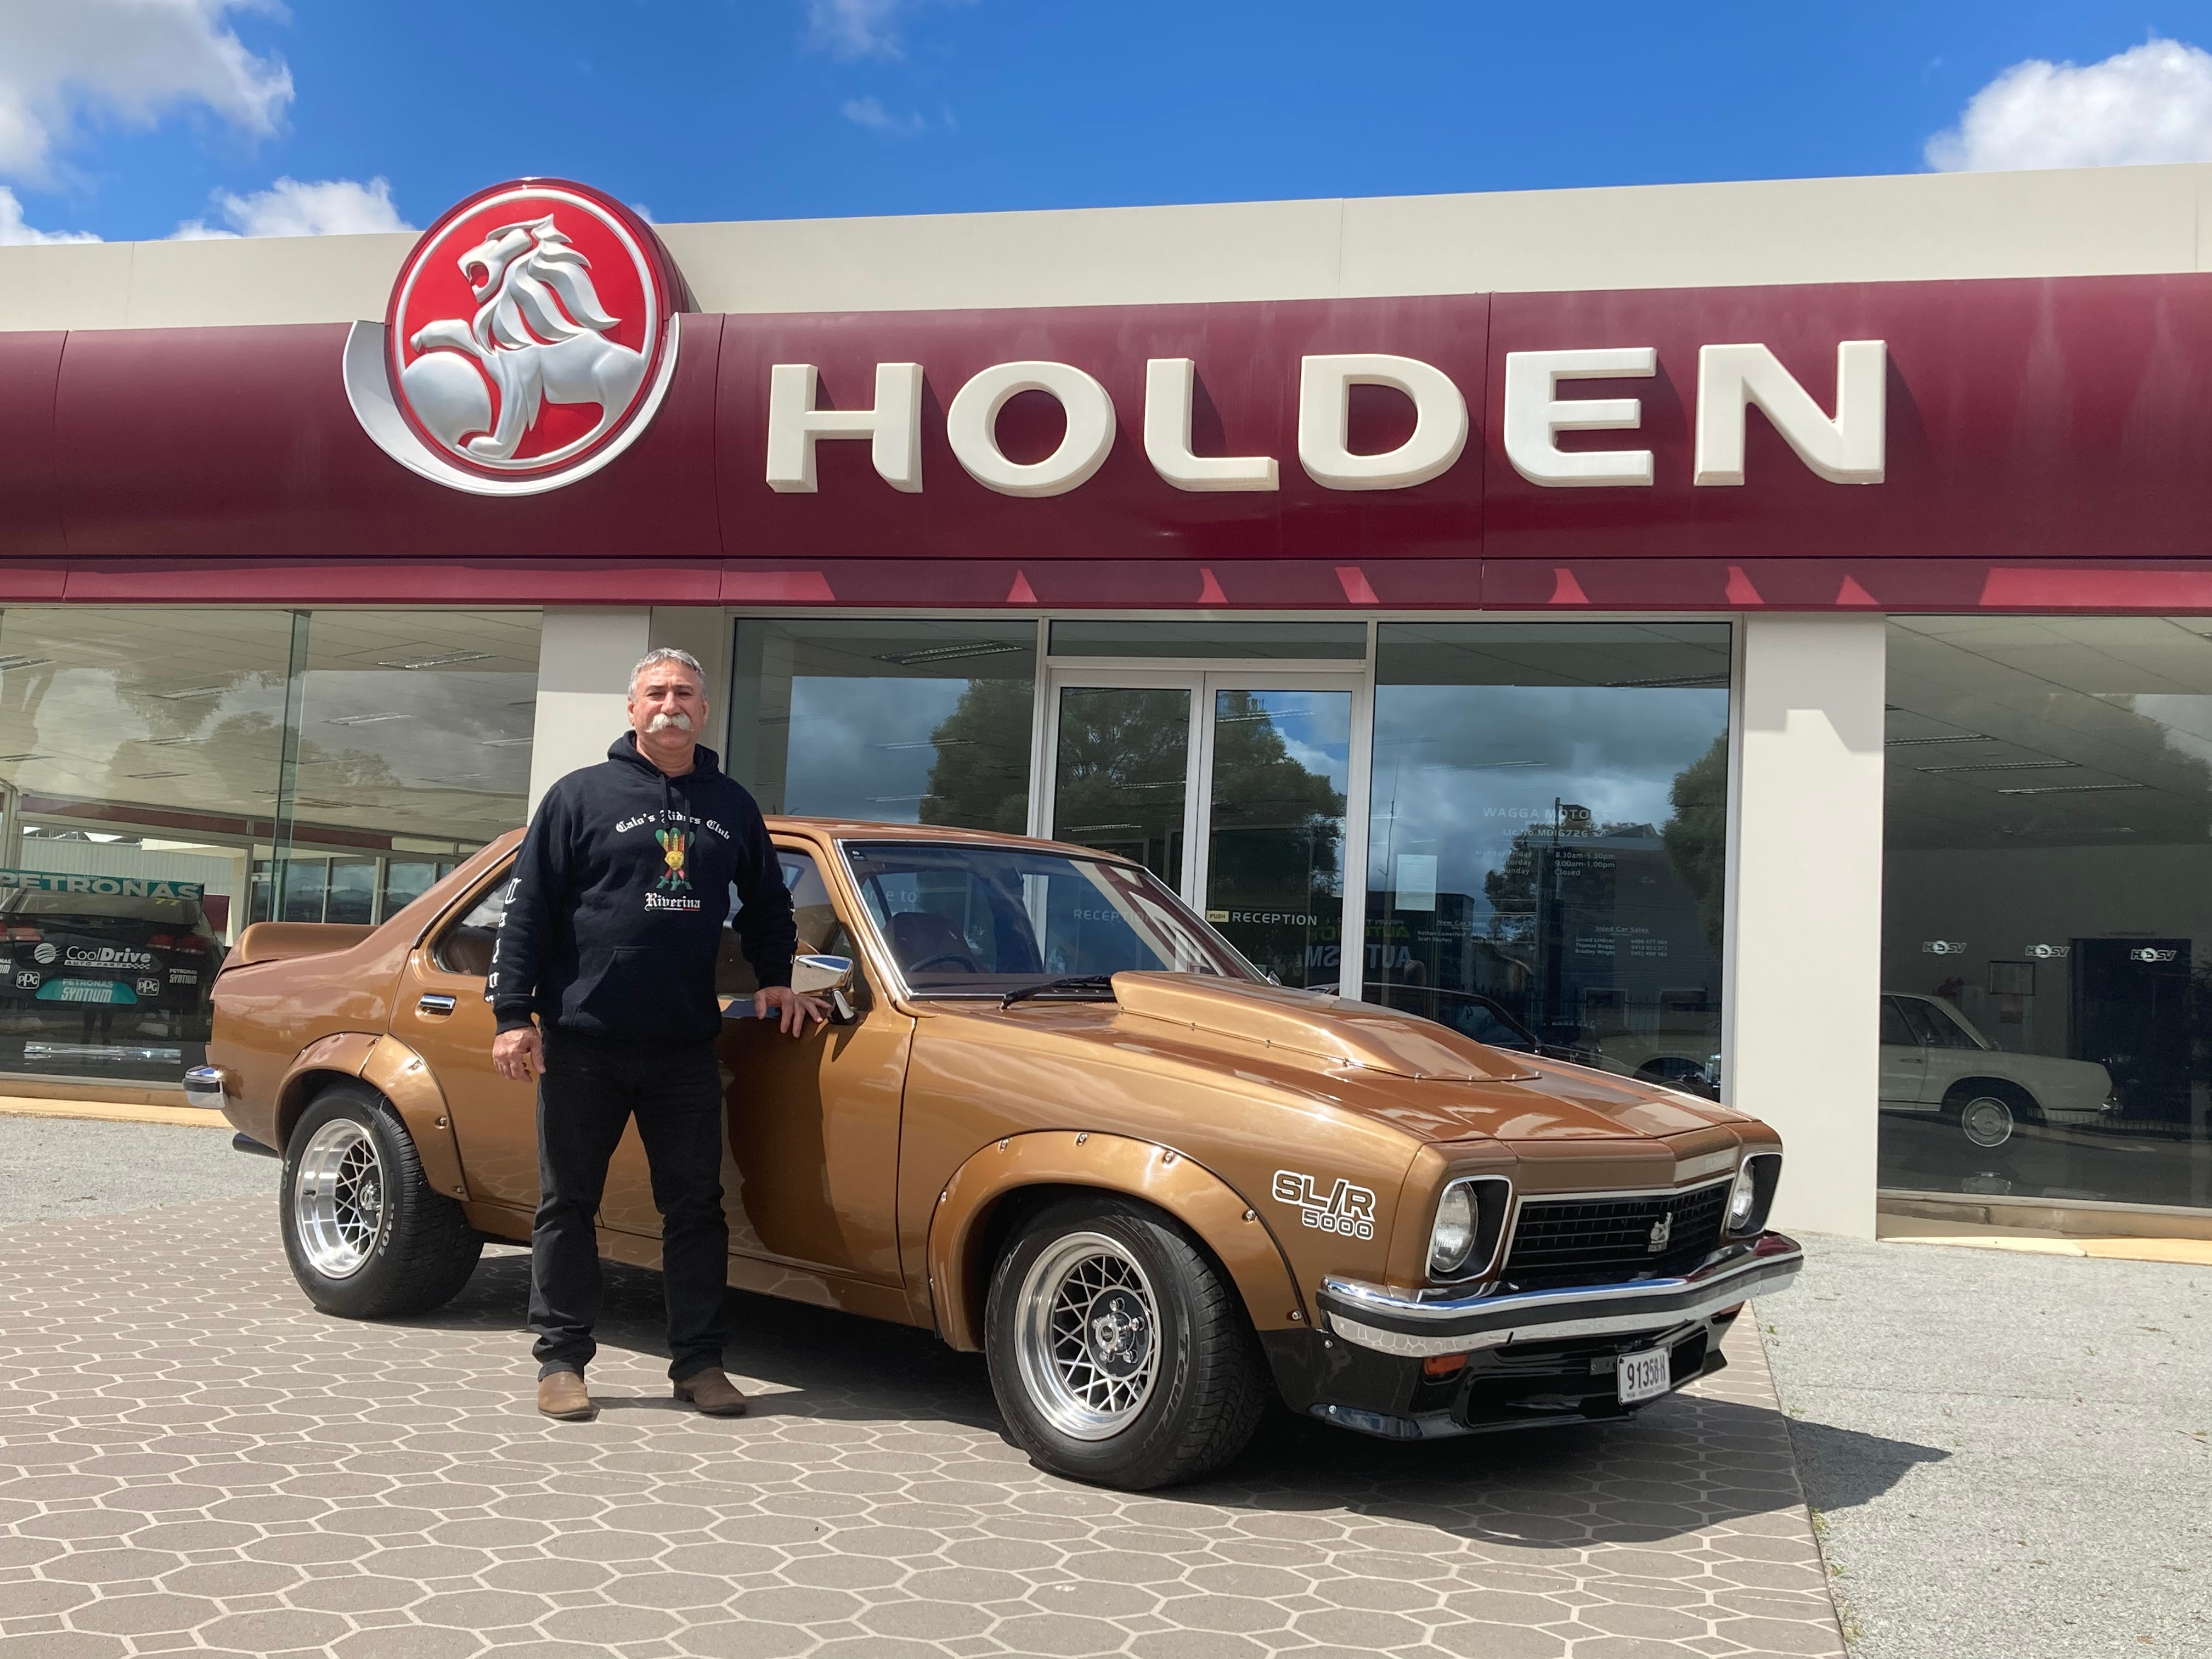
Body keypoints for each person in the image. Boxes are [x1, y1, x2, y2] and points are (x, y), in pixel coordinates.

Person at [489, 646, 823, 1422]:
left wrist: (777, 974)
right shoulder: (578, 798)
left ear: (705, 711)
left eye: (685, 693)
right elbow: (528, 912)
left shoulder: (731, 805)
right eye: (656, 692)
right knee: (568, 1204)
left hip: (683, 1046)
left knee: (696, 1208)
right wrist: (513, 1015)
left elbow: (770, 903)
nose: (670, 704)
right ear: (631, 709)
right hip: (583, 1040)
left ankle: (700, 1364)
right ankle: (562, 1363)